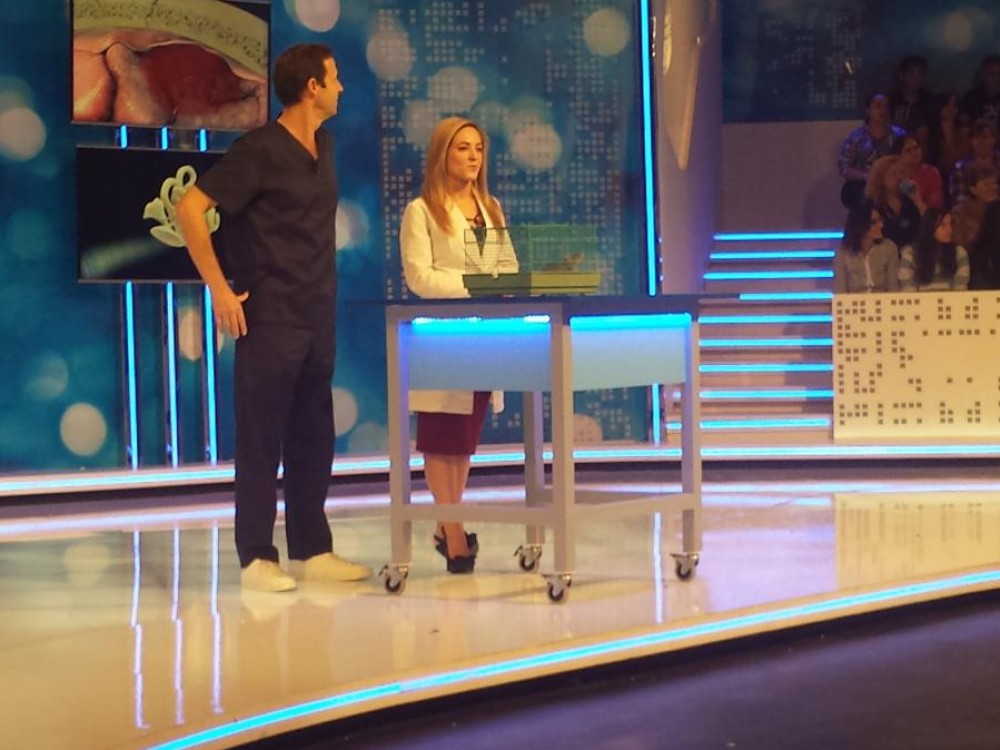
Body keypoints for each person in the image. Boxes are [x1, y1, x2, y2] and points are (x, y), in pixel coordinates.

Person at [175, 43, 371, 592]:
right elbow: (190, 208)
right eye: (335, 78)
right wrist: (219, 289)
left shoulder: (324, 145)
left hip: (317, 310)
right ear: (312, 86)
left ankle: (312, 548)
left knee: (314, 433)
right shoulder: (259, 150)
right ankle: (257, 556)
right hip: (269, 314)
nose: (341, 87)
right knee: (261, 436)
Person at [399, 117, 518, 574]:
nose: (473, 157)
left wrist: (500, 284)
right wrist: (476, 285)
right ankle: (453, 534)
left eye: (478, 149)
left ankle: (447, 525)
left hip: (485, 339)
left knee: (464, 441)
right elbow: (419, 277)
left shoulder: (492, 208)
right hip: (443, 339)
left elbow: (507, 268)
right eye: (463, 148)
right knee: (440, 439)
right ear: (442, 154)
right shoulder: (421, 211)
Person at [837, 92, 906, 208]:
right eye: (878, 106)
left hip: (894, 184)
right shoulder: (855, 137)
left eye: (886, 106)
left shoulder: (899, 135)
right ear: (868, 110)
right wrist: (868, 177)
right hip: (865, 184)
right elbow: (844, 167)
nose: (883, 110)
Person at [832, 200, 899, 294]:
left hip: (883, 302)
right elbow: (840, 293)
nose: (881, 225)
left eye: (880, 220)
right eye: (874, 222)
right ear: (860, 225)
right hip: (855, 303)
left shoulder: (889, 248)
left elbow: (894, 289)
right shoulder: (842, 254)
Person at [898, 209, 969, 292]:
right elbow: (908, 290)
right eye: (943, 225)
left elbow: (960, 290)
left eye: (950, 224)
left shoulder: (959, 253)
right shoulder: (910, 253)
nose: (949, 229)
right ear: (930, 227)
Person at [866, 154, 922, 249]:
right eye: (894, 174)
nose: (899, 178)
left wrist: (918, 199)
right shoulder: (872, 206)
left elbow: (929, 227)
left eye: (902, 173)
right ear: (881, 179)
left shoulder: (910, 204)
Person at [896, 133, 943, 210]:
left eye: (916, 148)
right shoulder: (896, 176)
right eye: (908, 150)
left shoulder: (931, 173)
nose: (914, 152)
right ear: (899, 156)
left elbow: (936, 205)